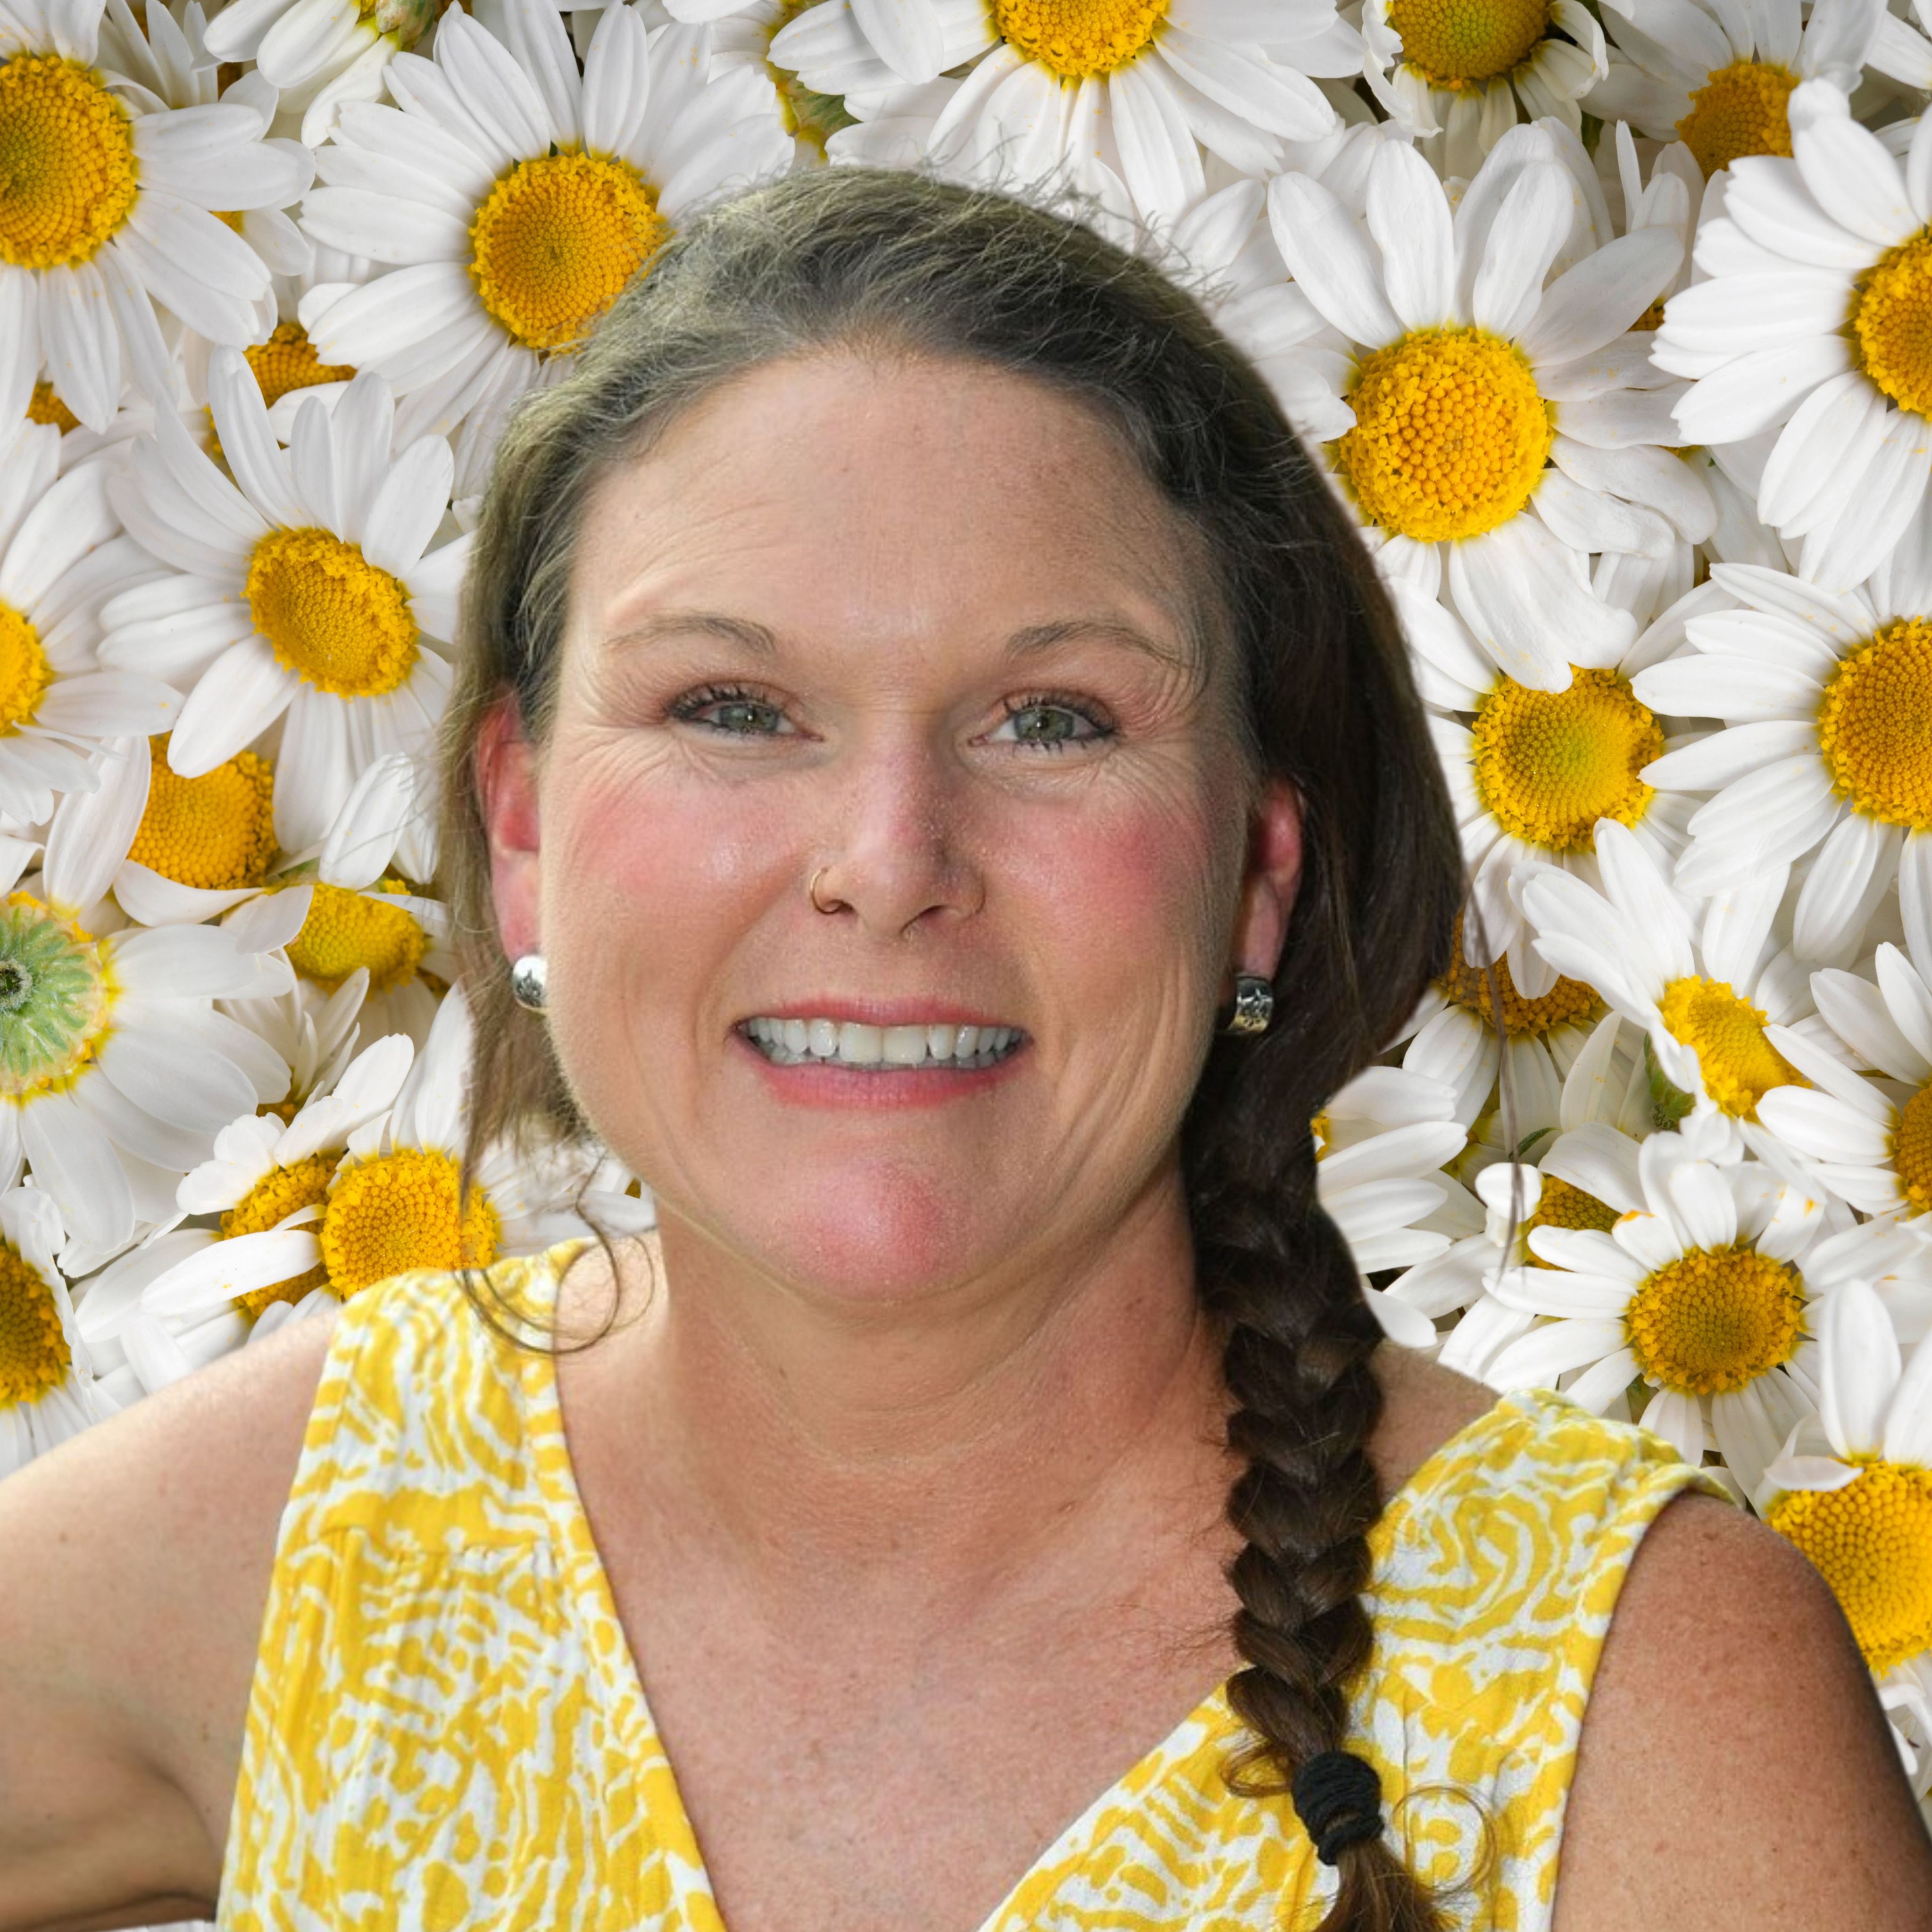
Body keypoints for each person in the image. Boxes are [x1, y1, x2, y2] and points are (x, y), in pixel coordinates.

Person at [2, 164, 1928, 1932]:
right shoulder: (303, 1540)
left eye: (1052, 719)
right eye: (733, 705)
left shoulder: (1652, 1698)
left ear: (1256, 873)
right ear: (521, 830)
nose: (889, 859)